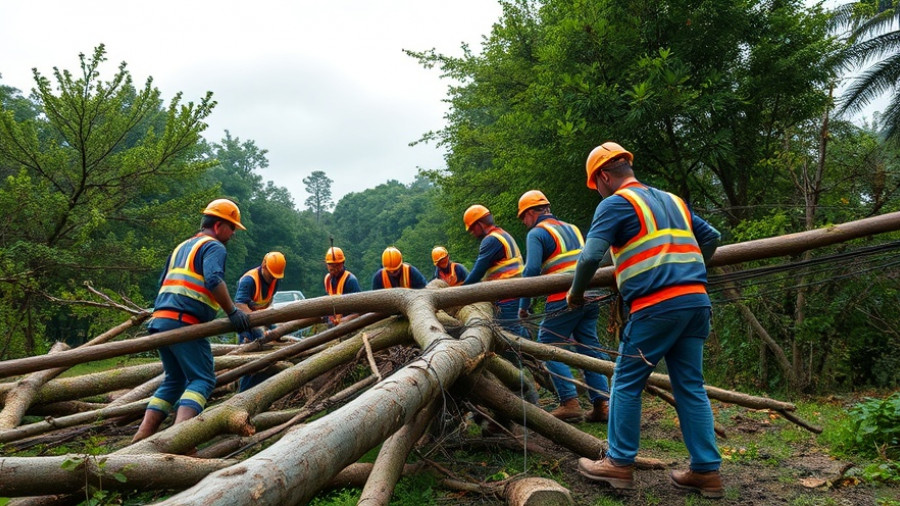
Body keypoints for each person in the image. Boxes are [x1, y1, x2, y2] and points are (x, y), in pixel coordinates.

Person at [567, 142, 723, 498]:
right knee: (690, 387)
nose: (599, 192)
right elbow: (711, 238)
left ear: (604, 176)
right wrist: (688, 267)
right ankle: (706, 472)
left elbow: (591, 255)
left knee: (625, 381)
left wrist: (576, 293)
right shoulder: (673, 200)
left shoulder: (616, 203)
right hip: (696, 303)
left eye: (597, 185)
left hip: (656, 307)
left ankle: (619, 464)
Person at [132, 199, 253, 443]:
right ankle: (179, 440)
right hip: (183, 322)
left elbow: (161, 284)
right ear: (219, 226)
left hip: (161, 321)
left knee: (174, 380)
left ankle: (141, 436)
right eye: (232, 228)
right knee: (203, 379)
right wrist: (232, 311)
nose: (233, 235)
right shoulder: (214, 246)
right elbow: (213, 279)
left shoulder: (181, 247)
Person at [516, 190, 611, 423]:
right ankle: (603, 405)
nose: (524, 223)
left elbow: (531, 271)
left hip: (563, 298)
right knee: (589, 348)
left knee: (547, 345)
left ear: (531, 212)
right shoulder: (572, 229)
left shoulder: (537, 233)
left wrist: (524, 305)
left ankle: (569, 402)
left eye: (523, 217)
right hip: (590, 295)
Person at [461, 204, 528, 338]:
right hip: (517, 292)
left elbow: (477, 272)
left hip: (507, 296)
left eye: (473, 229)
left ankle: (523, 359)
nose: (472, 233)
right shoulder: (502, 234)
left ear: (479, 224)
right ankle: (530, 358)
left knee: (511, 336)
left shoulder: (491, 240)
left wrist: (460, 293)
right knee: (519, 330)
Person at [233, 251, 286, 391]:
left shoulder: (276, 280)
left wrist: (272, 326)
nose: (273, 278)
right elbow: (240, 305)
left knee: (269, 358)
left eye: (276, 276)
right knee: (251, 363)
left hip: (262, 319)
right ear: (264, 265)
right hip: (247, 324)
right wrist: (259, 325)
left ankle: (260, 391)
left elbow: (267, 304)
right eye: (271, 275)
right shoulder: (249, 280)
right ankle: (243, 394)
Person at [324, 246, 361, 324]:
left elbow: (359, 311)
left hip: (348, 325)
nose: (335, 269)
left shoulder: (351, 281)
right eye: (332, 266)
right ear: (327, 265)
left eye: (337, 265)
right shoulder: (327, 279)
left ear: (343, 263)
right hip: (332, 324)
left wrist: (345, 320)